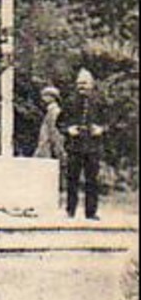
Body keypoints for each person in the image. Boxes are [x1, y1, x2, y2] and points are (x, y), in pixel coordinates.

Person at [60, 68, 105, 220]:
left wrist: (102, 128)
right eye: (79, 84)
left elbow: (113, 121)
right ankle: (70, 211)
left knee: (92, 180)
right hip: (74, 147)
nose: (81, 87)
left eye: (84, 83)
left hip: (93, 147)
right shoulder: (69, 101)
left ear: (92, 84)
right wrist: (68, 129)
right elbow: (60, 122)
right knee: (72, 179)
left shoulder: (100, 101)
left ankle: (91, 212)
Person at [34, 85, 65, 161]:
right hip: (44, 146)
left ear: (52, 97)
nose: (43, 98)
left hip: (48, 148)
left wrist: (58, 150)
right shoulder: (49, 111)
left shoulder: (54, 111)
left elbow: (54, 131)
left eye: (45, 95)